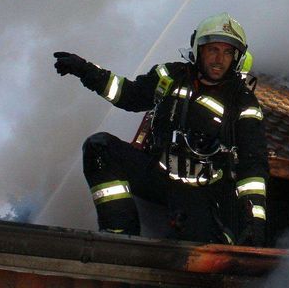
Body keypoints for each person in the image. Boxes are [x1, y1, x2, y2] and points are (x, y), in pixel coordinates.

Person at [53, 13, 268, 246]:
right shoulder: (170, 76)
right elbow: (128, 95)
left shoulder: (242, 102)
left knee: (199, 250)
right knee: (99, 147)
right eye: (213, 50)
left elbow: (253, 165)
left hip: (200, 192)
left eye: (227, 52)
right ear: (198, 49)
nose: (219, 59)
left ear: (237, 57)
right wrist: (85, 70)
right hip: (158, 174)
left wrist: (255, 223)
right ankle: (118, 235)